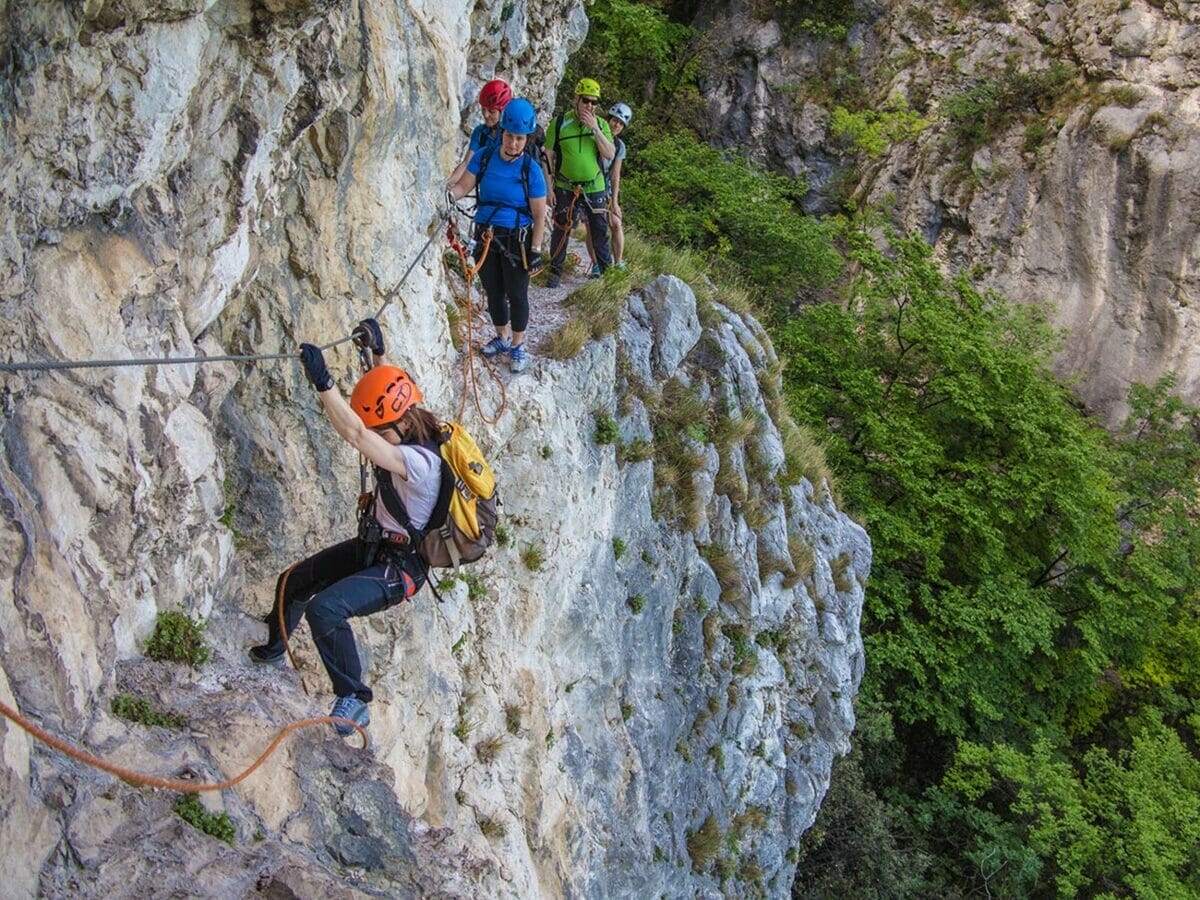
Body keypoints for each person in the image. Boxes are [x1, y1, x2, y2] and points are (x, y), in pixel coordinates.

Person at [250, 319, 443, 736]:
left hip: (400, 569)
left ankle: (354, 699)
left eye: (383, 432)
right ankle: (273, 650)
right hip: (375, 547)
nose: (378, 436)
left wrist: (323, 382)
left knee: (327, 609)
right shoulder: (408, 426)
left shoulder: (420, 464)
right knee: (294, 581)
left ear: (402, 426)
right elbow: (384, 400)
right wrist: (377, 354)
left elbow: (357, 433)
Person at [447, 97, 548, 374]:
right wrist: (447, 198)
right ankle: (502, 337)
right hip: (485, 233)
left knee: (517, 293)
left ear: (526, 139)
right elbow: (464, 186)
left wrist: (536, 249)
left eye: (519, 138)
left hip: (517, 239)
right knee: (493, 291)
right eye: (509, 136)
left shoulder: (531, 170)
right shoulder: (485, 156)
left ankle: (518, 345)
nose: (513, 143)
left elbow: (540, 213)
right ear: (501, 132)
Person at [542, 78, 616, 289]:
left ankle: (607, 274)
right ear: (576, 99)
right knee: (561, 229)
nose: (590, 106)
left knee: (599, 230)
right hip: (566, 186)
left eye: (594, 102)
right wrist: (549, 189)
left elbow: (609, 153)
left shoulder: (601, 124)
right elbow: (547, 156)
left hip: (595, 186)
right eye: (586, 101)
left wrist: (594, 129)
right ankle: (555, 272)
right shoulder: (560, 124)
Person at [586, 101, 632, 274]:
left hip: (605, 190)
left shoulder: (620, 146)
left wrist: (615, 202)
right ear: (609, 119)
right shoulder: (594, 135)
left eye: (620, 123)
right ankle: (596, 264)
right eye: (615, 120)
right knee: (593, 228)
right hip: (589, 187)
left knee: (616, 223)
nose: (616, 125)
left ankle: (618, 262)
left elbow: (615, 175)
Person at [446, 78, 513, 189]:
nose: (486, 115)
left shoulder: (512, 137)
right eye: (483, 109)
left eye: (492, 111)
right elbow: (466, 163)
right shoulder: (480, 132)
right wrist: (447, 185)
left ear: (504, 112)